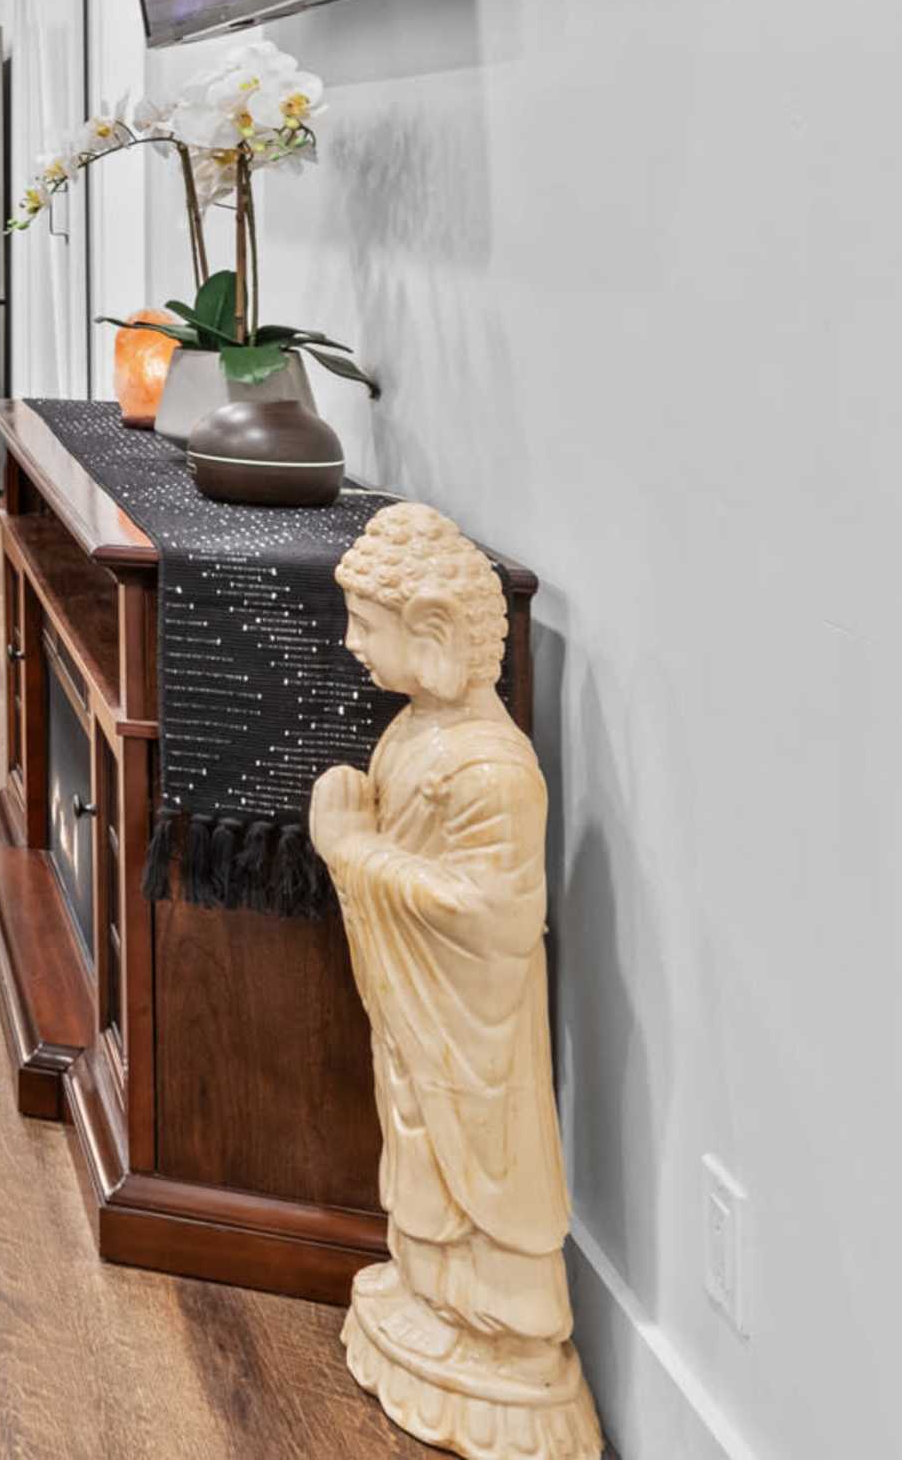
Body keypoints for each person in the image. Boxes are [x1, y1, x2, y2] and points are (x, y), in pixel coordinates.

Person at [310, 502, 601, 1460]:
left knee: (471, 1155)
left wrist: (352, 851)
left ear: (431, 630)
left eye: (366, 623)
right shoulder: (413, 735)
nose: (350, 643)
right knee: (418, 1149)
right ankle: (435, 1293)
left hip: (472, 1036)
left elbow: (493, 918)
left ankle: (508, 1338)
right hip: (417, 1019)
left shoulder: (491, 770)